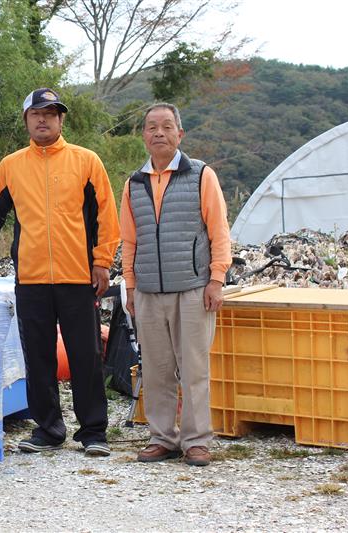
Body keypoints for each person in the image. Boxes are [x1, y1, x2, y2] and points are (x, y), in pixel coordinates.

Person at [0, 88, 120, 457]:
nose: (43, 119)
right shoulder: (11, 166)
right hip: (30, 278)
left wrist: (101, 263)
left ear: (61, 120)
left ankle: (93, 431)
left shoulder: (86, 161)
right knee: (38, 355)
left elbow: (105, 218)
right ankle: (48, 429)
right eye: (36, 114)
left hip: (77, 276)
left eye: (51, 113)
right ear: (26, 120)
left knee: (85, 355)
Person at [119, 102, 231, 467]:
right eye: (152, 127)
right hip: (149, 291)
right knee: (156, 369)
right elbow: (130, 241)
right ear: (144, 136)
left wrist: (216, 279)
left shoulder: (201, 175)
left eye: (167, 127)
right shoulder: (133, 184)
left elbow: (218, 232)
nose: (159, 133)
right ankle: (162, 437)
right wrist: (131, 286)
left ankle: (196, 441)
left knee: (194, 368)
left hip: (193, 288)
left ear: (180, 134)